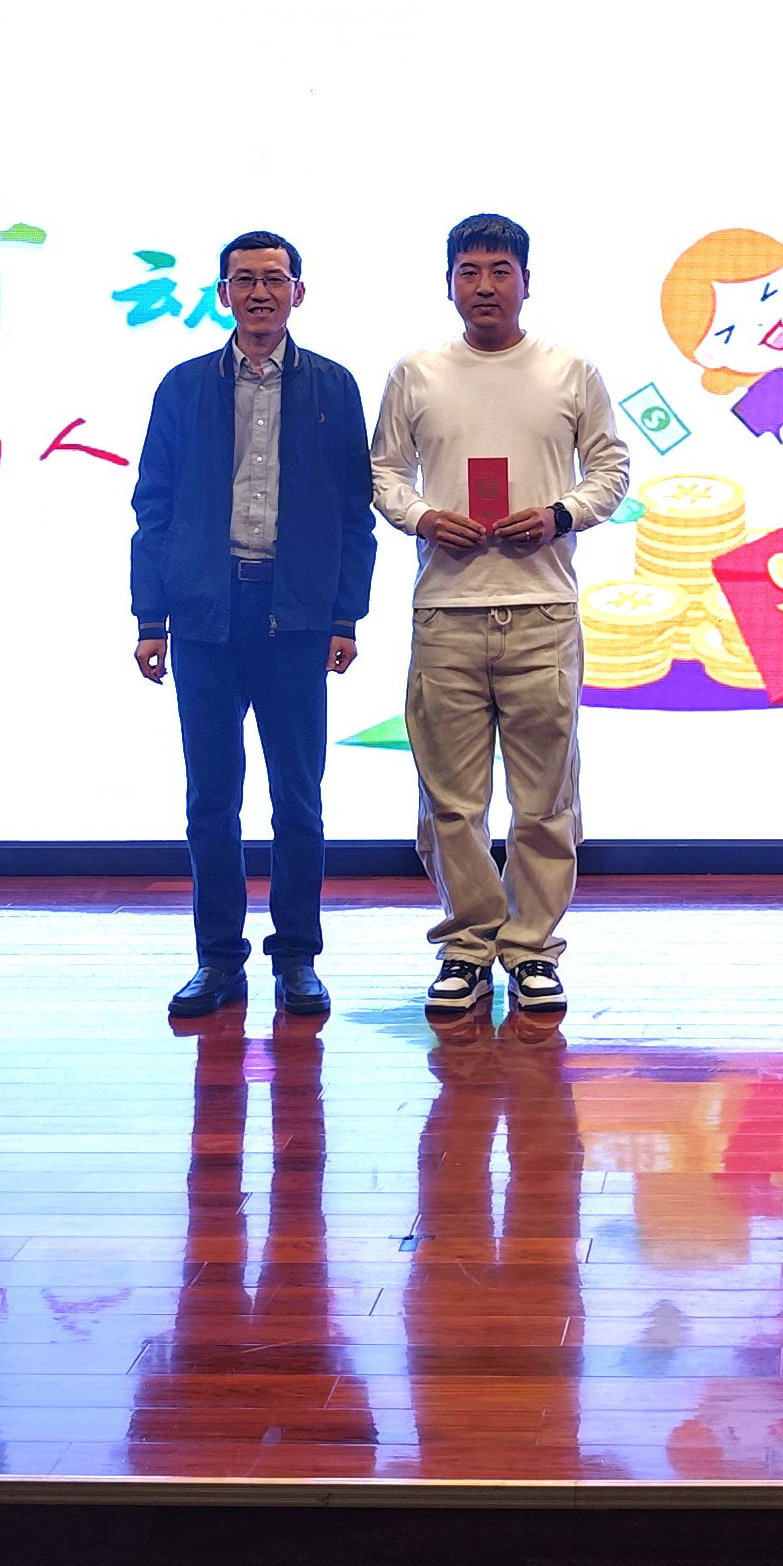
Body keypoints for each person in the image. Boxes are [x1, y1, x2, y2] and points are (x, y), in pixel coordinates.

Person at [370, 213, 633, 1018]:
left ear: (525, 281)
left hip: (542, 610)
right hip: (446, 612)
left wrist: (559, 515)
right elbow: (383, 471)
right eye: (469, 271)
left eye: (499, 271)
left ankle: (532, 951)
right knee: (450, 802)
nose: (484, 286)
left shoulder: (570, 372)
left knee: (545, 800)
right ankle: (466, 946)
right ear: (449, 282)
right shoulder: (416, 373)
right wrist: (422, 517)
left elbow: (612, 468)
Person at [130, 231, 377, 1022]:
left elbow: (355, 512)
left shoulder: (333, 387)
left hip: (295, 617)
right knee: (211, 800)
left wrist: (345, 613)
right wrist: (150, 617)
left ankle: (297, 958)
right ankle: (216, 960)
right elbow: (153, 507)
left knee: (298, 800)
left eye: (275, 279)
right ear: (223, 294)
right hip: (206, 615)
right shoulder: (184, 387)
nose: (260, 293)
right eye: (245, 280)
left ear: (299, 292)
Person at [658, 225, 783, 451]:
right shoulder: (758, 407)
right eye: (729, 332)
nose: (760, 324)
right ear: (709, 357)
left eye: (767, 295)